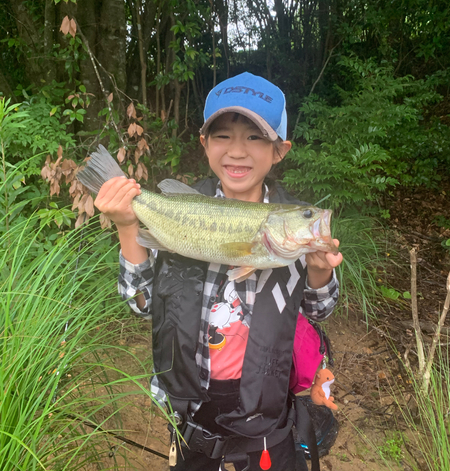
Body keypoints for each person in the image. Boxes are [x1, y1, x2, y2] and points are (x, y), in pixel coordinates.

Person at [94, 72, 343, 471]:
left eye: (255, 137)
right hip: (192, 419)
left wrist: (317, 272)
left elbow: (318, 310)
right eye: (223, 135)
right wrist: (128, 225)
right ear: (204, 144)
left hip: (268, 421)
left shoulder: (290, 229)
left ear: (280, 150)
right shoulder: (184, 208)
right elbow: (142, 305)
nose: (237, 151)